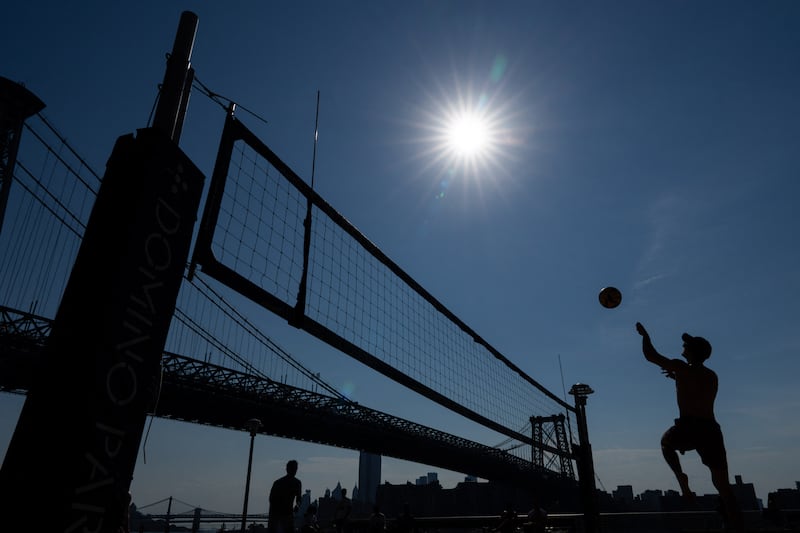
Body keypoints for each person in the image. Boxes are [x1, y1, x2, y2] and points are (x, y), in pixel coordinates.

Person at [635, 322, 743, 531]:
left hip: (690, 426)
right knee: (724, 488)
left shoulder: (682, 368)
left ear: (691, 352)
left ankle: (682, 479)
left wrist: (644, 336)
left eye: (686, 346)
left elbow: (651, 356)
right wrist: (677, 378)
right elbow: (696, 388)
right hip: (711, 429)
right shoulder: (711, 376)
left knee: (666, 443)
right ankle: (738, 527)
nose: (682, 348)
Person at [268, 460, 302, 533]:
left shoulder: (278, 482)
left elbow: (271, 500)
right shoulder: (297, 483)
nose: (294, 471)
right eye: (294, 468)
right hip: (286, 515)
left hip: (280, 515)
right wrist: (297, 506)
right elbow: (299, 500)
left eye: (295, 469)